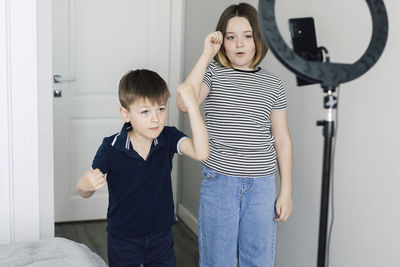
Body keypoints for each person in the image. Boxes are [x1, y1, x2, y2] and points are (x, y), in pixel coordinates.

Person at [177, 3, 293, 267]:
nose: (239, 43)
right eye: (230, 37)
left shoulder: (273, 84)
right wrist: (207, 55)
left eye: (248, 35)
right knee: (218, 260)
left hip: (262, 185)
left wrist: (285, 191)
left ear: (258, 39)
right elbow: (185, 102)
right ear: (222, 41)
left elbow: (283, 140)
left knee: (258, 259)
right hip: (220, 181)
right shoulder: (213, 74)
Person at [76, 69, 209, 267]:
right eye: (145, 111)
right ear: (126, 114)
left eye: (161, 109)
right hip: (122, 239)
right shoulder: (110, 147)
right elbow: (83, 191)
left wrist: (192, 106)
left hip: (161, 237)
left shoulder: (168, 137)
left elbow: (201, 152)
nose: (155, 119)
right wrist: (85, 185)